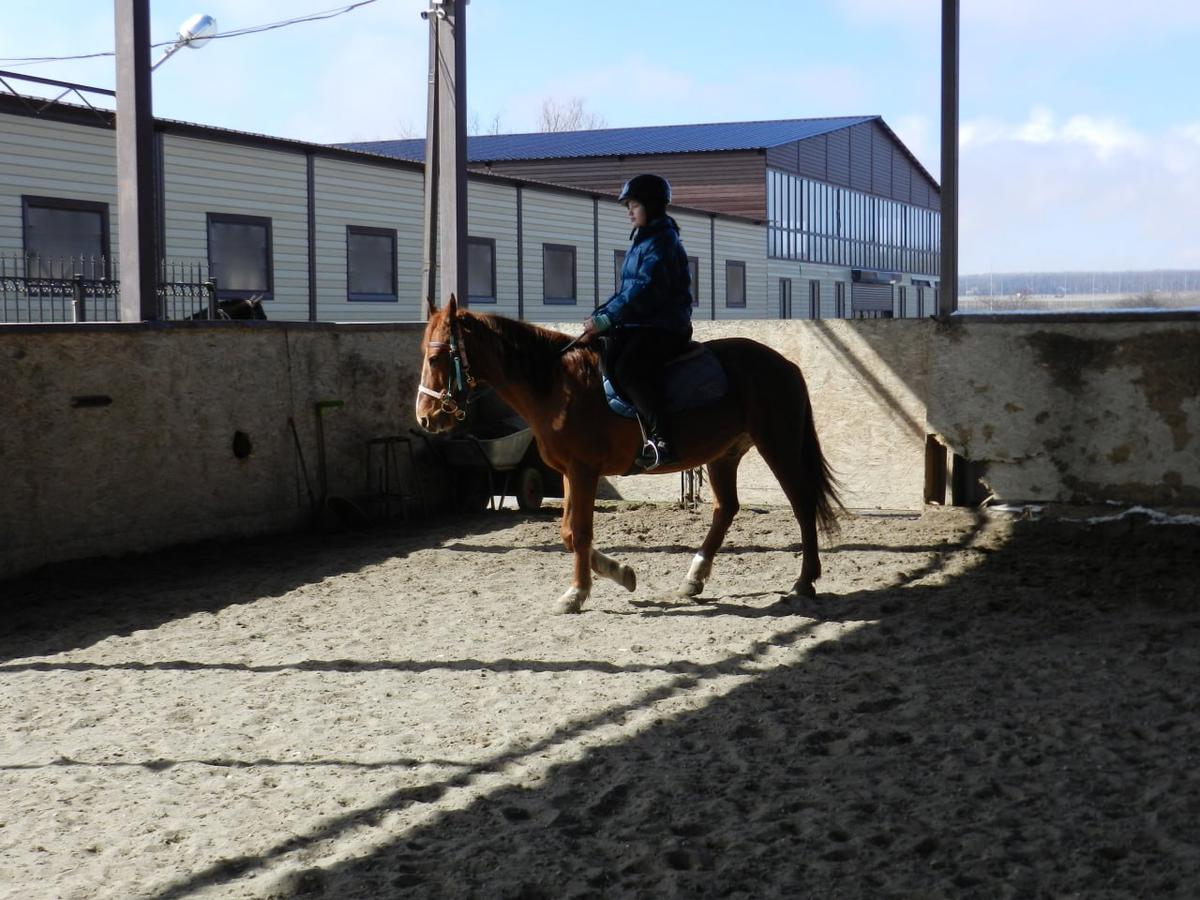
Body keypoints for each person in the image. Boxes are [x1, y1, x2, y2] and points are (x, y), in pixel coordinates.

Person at [583, 174, 694, 470]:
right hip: (644, 323)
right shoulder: (642, 241)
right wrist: (598, 316)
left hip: (666, 325)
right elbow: (625, 291)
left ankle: (663, 440)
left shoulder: (662, 243)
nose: (629, 211)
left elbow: (643, 289)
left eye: (634, 205)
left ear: (653, 207)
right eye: (628, 206)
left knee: (628, 368)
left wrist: (607, 318)